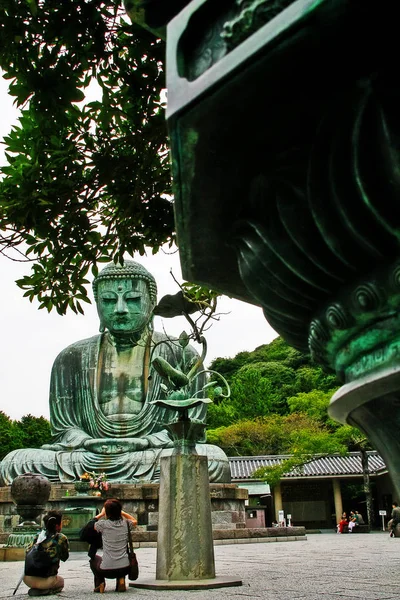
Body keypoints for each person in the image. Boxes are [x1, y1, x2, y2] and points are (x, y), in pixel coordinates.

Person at [0, 261, 230, 485]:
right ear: (98, 306)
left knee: (214, 459)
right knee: (15, 463)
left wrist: (143, 443)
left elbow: (191, 427)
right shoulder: (71, 357)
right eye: (109, 300)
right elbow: (65, 429)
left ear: (152, 304)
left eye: (132, 299)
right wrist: (87, 442)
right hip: (88, 454)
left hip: (151, 453)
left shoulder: (181, 354)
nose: (120, 309)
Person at [88, 499, 137, 593]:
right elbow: (134, 521)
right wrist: (123, 513)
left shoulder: (103, 524)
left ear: (107, 512)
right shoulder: (126, 524)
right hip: (125, 568)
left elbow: (90, 525)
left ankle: (100, 583)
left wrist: (101, 514)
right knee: (121, 562)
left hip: (106, 570)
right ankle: (121, 580)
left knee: (93, 560)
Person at [23, 511, 69, 597]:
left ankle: (36, 588)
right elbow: (64, 557)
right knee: (61, 581)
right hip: (47, 581)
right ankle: (47, 590)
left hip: (27, 579)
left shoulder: (37, 536)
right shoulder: (61, 537)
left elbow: (27, 552)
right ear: (57, 525)